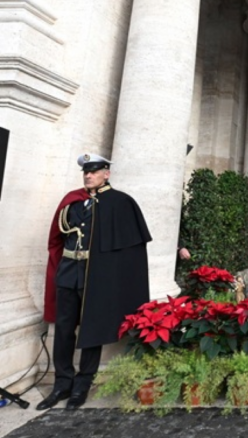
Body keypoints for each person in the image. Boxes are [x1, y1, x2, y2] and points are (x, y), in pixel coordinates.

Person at [39, 153, 151, 411]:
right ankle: (62, 383)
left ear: (106, 174)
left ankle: (82, 384)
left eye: (94, 171)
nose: (88, 176)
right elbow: (59, 239)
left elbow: (129, 251)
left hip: (97, 277)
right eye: (86, 172)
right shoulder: (72, 201)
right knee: (64, 329)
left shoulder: (121, 203)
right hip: (69, 272)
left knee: (92, 329)